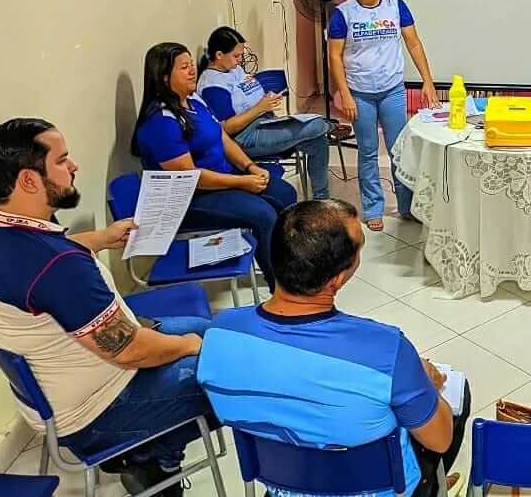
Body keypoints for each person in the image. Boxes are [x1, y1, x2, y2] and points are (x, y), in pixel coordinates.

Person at [0, 118, 213, 496]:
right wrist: (190, 346)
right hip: (98, 411)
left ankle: (151, 457)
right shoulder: (60, 269)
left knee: (205, 328)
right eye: (62, 161)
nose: (74, 167)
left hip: (57, 397)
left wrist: (98, 239)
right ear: (29, 180)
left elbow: (40, 271)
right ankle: (156, 463)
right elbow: (130, 349)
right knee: (225, 373)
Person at [198, 199, 471, 497]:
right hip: (378, 487)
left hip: (284, 484)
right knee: (457, 395)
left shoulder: (219, 335)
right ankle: (432, 484)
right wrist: (424, 382)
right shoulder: (386, 350)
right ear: (338, 278)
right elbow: (440, 440)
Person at [131, 42, 297, 291]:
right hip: (191, 199)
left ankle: (288, 266)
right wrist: (242, 183)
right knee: (263, 214)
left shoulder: (193, 100)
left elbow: (221, 137)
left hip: (223, 180)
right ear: (164, 78)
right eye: (184, 67)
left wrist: (250, 168)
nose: (192, 71)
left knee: (285, 194)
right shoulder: (161, 122)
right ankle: (282, 288)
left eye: (191, 65)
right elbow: (191, 178)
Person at [329, 0, 440, 232]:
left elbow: (414, 44)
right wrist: (345, 94)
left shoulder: (395, 6)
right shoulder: (344, 14)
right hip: (360, 93)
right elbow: (334, 56)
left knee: (399, 150)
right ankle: (373, 208)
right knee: (367, 151)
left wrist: (427, 81)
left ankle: (407, 206)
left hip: (392, 90)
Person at [196, 26, 331, 199]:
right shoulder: (213, 86)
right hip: (245, 138)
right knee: (317, 125)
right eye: (236, 56)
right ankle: (328, 125)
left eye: (241, 55)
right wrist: (260, 107)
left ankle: (322, 199)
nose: (239, 61)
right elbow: (227, 129)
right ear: (219, 55)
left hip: (265, 121)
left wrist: (268, 99)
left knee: (318, 139)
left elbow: (248, 92)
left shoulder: (232, 68)